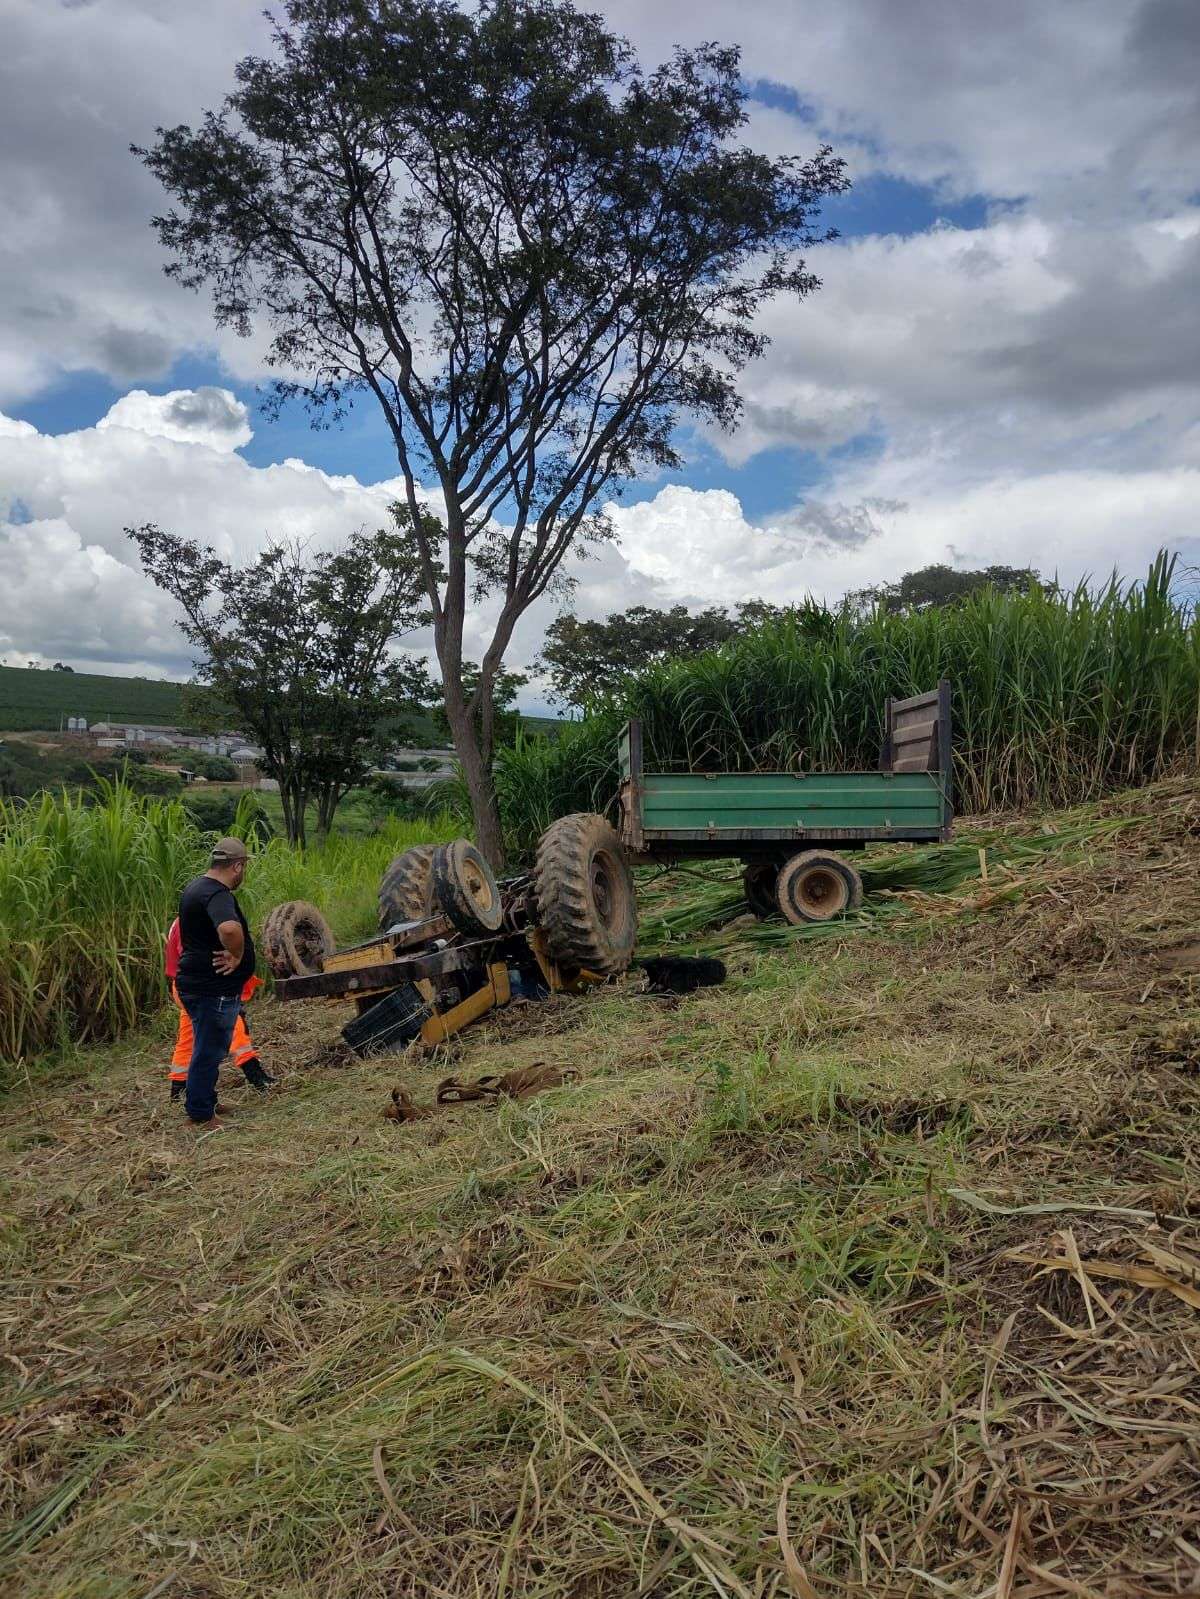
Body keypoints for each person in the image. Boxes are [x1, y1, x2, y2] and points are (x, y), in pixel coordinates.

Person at [175, 837, 262, 1129]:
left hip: (193, 983)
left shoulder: (195, 887)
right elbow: (228, 929)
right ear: (237, 866)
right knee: (209, 1051)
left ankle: (205, 1100)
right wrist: (237, 956)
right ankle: (200, 1113)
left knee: (204, 1044)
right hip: (212, 988)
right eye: (244, 867)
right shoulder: (217, 894)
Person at [164, 917, 273, 1100]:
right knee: (231, 1020)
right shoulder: (199, 921)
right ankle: (256, 1075)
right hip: (200, 985)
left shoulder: (180, 921)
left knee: (188, 1034)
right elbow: (198, 959)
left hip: (183, 986)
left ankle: (178, 1087)